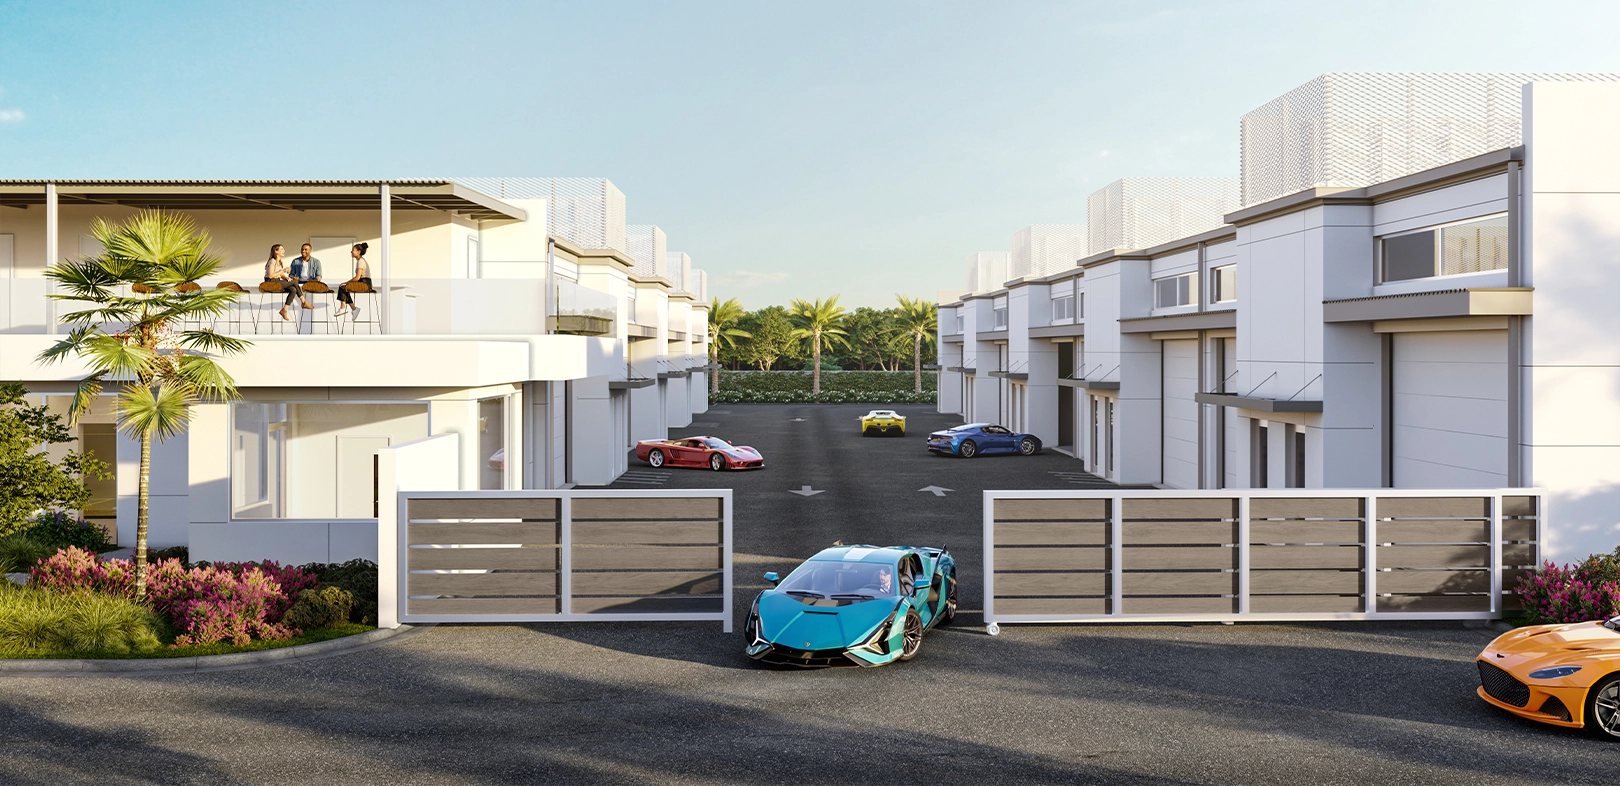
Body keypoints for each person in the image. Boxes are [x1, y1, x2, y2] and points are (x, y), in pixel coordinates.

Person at [263, 244, 312, 321]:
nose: (284, 251)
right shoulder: (272, 261)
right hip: (270, 282)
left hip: (277, 281)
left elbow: (280, 274)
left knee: (293, 289)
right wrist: (284, 270)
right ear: (276, 251)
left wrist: (287, 277)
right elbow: (270, 275)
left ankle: (284, 310)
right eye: (282, 249)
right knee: (295, 282)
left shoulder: (279, 262)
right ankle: (303, 302)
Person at [336, 242, 372, 317]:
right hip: (363, 282)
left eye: (353, 250)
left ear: (358, 252)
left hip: (365, 284)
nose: (351, 252)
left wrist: (346, 282)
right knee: (344, 288)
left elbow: (357, 278)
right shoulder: (360, 261)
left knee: (343, 287)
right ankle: (353, 309)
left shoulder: (361, 261)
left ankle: (344, 308)